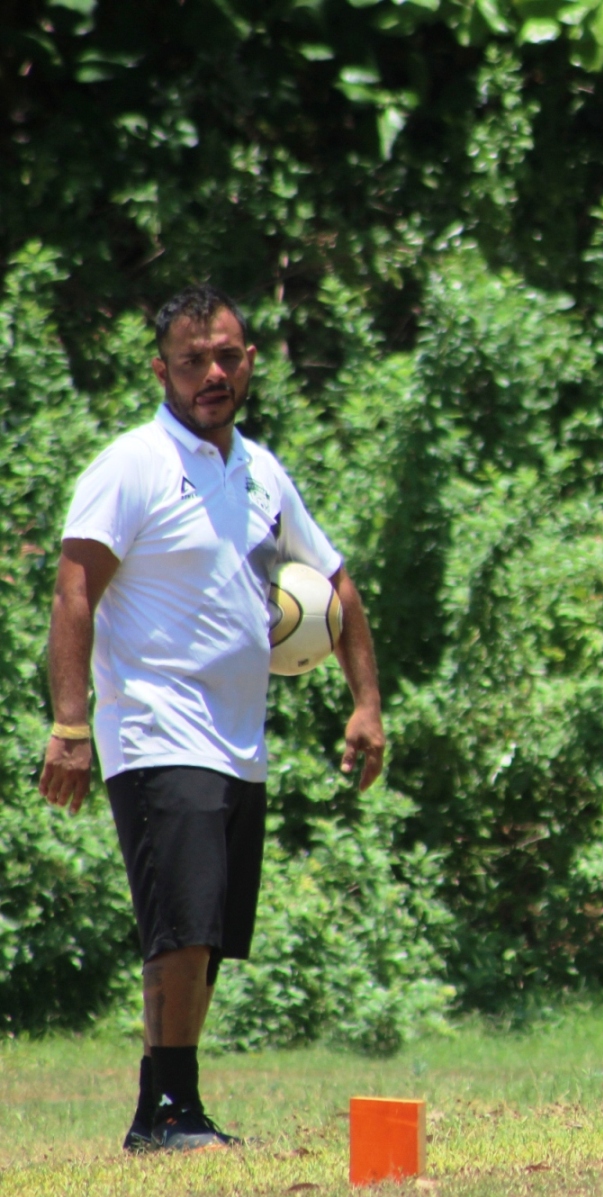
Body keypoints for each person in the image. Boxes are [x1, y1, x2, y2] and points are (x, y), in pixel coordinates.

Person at [37, 284, 385, 1152]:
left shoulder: (261, 471)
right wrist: (71, 727)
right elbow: (75, 587)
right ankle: (167, 1114)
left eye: (227, 356)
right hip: (155, 728)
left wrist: (367, 705)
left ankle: (169, 1109)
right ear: (162, 370)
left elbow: (335, 582)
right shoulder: (133, 465)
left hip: (239, 742)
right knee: (181, 924)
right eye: (192, 361)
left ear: (249, 361)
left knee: (212, 933)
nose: (213, 373)